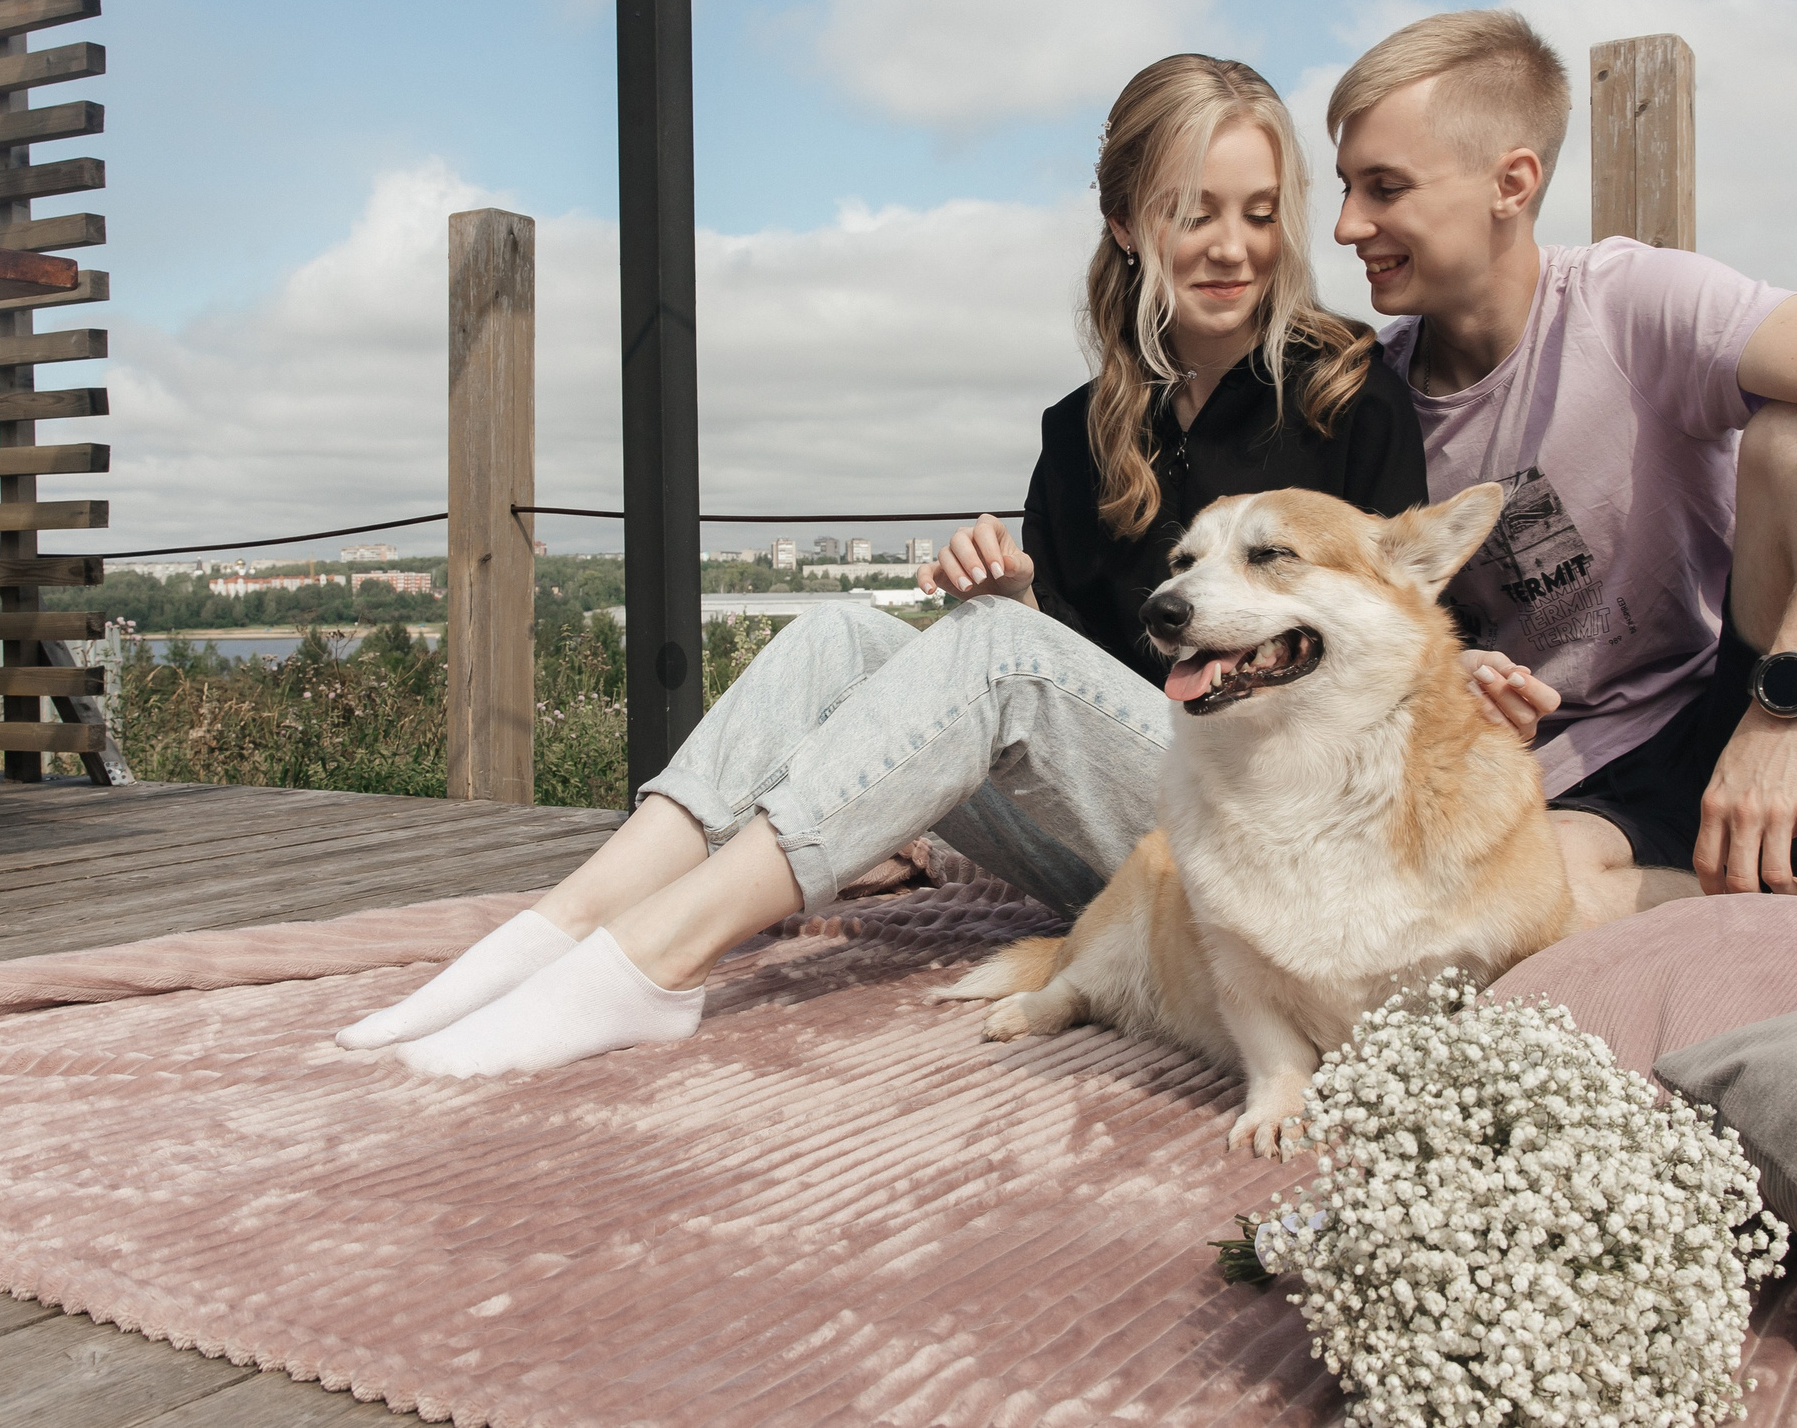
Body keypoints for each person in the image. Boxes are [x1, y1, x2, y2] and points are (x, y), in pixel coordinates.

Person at [339, 54, 1484, 1077]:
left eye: (1259, 212)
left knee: (996, 655)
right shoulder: (1079, 431)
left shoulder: (1346, 396)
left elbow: (1385, 661)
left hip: (1273, 829)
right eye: (1194, 211)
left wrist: (1017, 644)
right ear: (1128, 224)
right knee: (839, 633)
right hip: (1125, 855)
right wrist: (1023, 601)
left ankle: (656, 960)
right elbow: (1089, 681)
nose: (1232, 246)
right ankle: (565, 922)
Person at [1323, 9, 1797, 925]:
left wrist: (1794, 706)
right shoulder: (1368, 399)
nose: (1347, 225)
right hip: (1586, 785)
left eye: (1385, 187)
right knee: (1514, 905)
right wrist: (1458, 674)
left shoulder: (1626, 302)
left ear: (1511, 183)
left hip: (1757, 706)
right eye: (1346, 187)